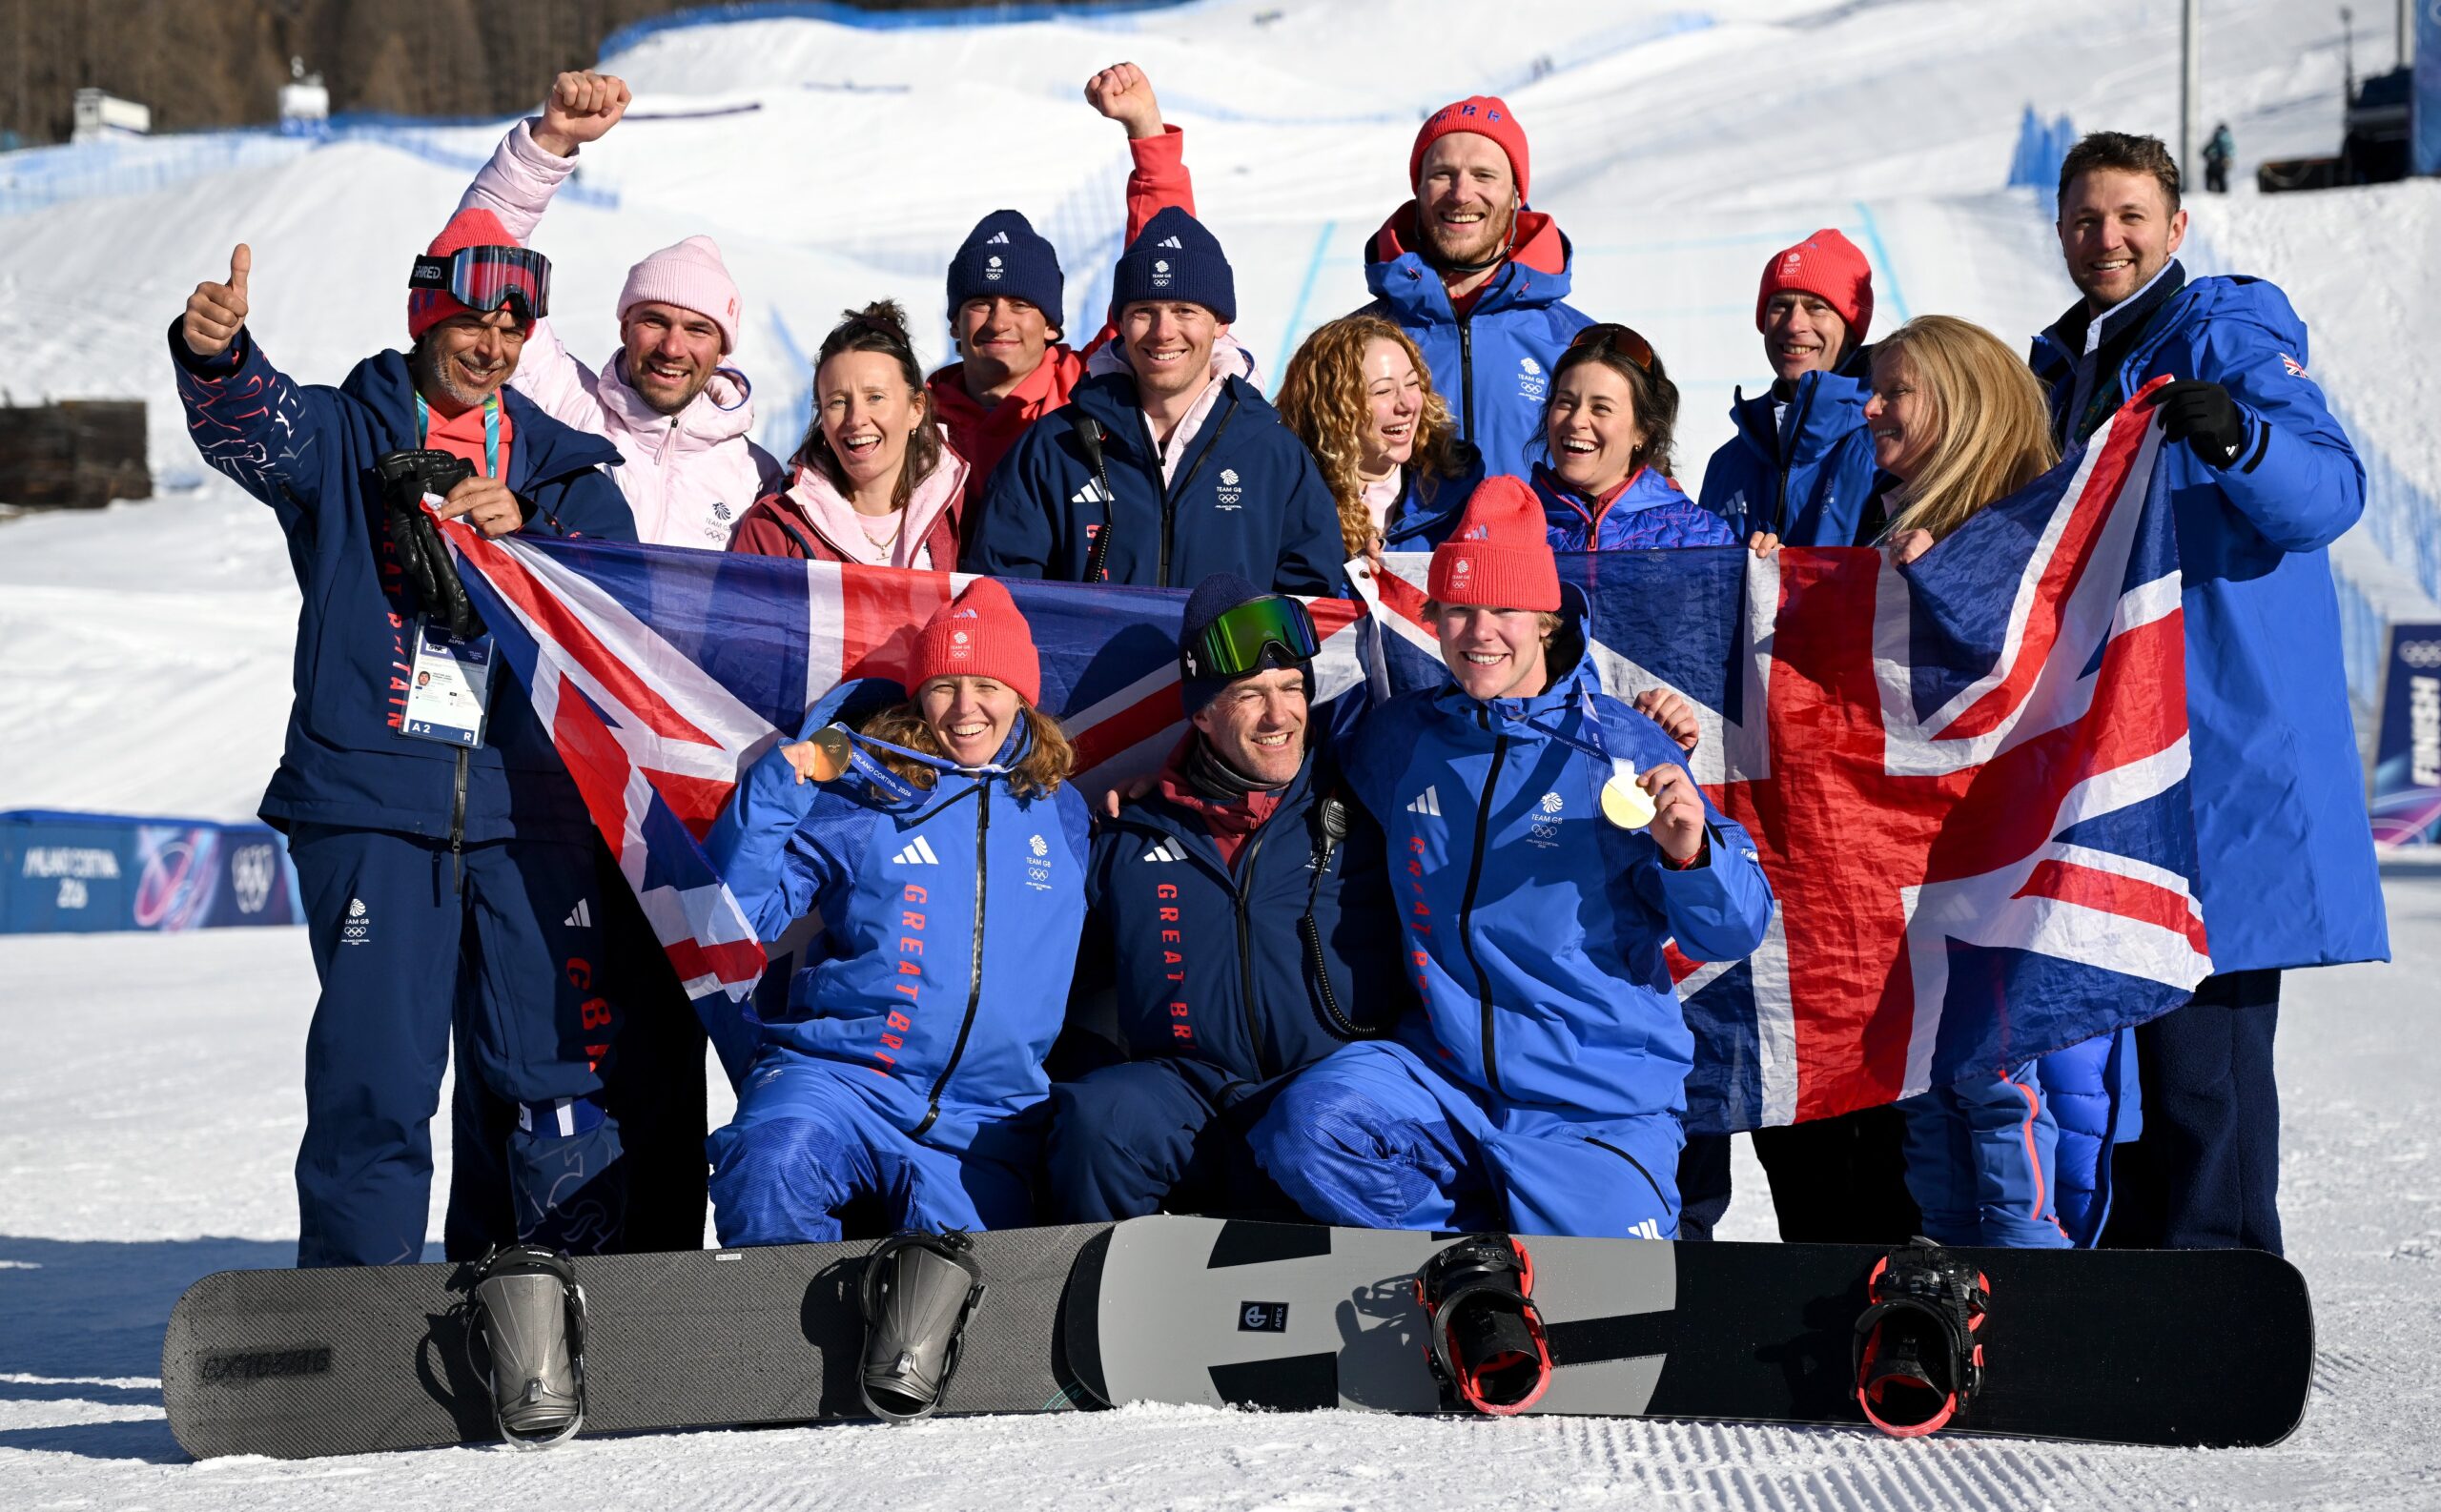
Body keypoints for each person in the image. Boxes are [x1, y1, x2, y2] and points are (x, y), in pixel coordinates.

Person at [172, 214, 637, 1267]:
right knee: (376, 1077)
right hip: (370, 800)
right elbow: (260, 424)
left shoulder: (568, 473)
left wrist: (534, 536)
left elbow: (622, 589)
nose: (493, 346)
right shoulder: (344, 434)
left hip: (532, 813)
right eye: (471, 322)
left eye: (513, 330)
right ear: (427, 317)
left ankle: (559, 1304)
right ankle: (358, 1322)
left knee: (552, 1080)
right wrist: (218, 357)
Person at [1249, 477, 1774, 1238]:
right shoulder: (1401, 737)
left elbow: (1729, 933)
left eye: (1503, 609)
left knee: (1606, 1309)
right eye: (1459, 609)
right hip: (1443, 1078)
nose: (1479, 632)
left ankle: (1527, 1235)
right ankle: (1475, 1252)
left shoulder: (1621, 747)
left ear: (1547, 621)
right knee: (1312, 1134)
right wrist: (1159, 783)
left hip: (1596, 1102)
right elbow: (1279, 765)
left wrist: (1694, 857)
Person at [2030, 131, 2384, 1254]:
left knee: (2202, 1073)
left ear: (2175, 227)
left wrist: (2241, 436)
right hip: (2115, 767)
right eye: (2087, 218)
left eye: (2130, 216)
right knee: (2120, 1076)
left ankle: (2225, 1290)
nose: (2108, 238)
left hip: (2221, 759)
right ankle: (2144, 1296)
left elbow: (2327, 493)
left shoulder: (2223, 334)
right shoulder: (2061, 370)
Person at [703, 579, 1092, 1244]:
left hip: (987, 1123)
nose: (964, 708)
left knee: (973, 1316)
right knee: (769, 1167)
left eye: (987, 686)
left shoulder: (1064, 812)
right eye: (944, 686)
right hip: (846, 1082)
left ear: (1023, 696)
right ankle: (780, 1350)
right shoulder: (870, 789)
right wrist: (780, 784)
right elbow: (738, 924)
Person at [1045, 577, 1412, 1220]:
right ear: (1201, 712)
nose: (1280, 716)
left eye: (1293, 688)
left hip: (1333, 1102)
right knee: (1097, 1119)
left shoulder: (1363, 801)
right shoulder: (1130, 835)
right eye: (1250, 695)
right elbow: (1052, 987)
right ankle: (1108, 1309)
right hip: (1192, 1100)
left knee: (1316, 1124)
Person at [1856, 313, 2104, 1249]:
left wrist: (1943, 588)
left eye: (1894, 389)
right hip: (1925, 876)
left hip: (2021, 877)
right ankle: (1955, 1288)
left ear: (1959, 406)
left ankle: (2032, 1304)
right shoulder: (1897, 526)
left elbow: (2038, 682)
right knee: (1933, 1101)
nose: (1870, 405)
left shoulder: (2029, 531)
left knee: (2018, 1101)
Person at [458, 70, 781, 548]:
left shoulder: (758, 481)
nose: (672, 347)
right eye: (654, 320)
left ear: (722, 348)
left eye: (698, 329)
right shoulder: (567, 406)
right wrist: (549, 143)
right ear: (625, 324)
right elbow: (480, 258)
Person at [967, 207, 1344, 593]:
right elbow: (1002, 599)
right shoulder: (1053, 448)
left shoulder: (1273, 454)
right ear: (1121, 322)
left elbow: (1311, 603)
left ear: (1221, 322)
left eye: (1185, 311)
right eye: (1144, 311)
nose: (1164, 332)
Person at [930, 62, 1199, 507]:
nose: (999, 321)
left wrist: (1147, 132)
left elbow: (1163, 261)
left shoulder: (1093, 387)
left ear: (1053, 325)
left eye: (1020, 304)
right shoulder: (915, 417)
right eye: (980, 302)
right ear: (954, 323)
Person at [1358, 96, 1592, 482]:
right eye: (1442, 174)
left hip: (1533, 545)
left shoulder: (1579, 347)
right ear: (1418, 189)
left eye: (1484, 175)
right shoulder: (1353, 345)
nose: (1462, 193)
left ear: (1517, 194)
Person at [728, 302, 969, 566]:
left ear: (915, 409)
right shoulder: (774, 527)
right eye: (838, 402)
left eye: (875, 397)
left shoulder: (956, 508)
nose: (856, 420)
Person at [1698, 230, 1883, 554]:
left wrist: (1793, 583)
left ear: (1852, 329)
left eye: (1817, 308)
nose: (1794, 324)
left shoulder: (1887, 445)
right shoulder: (1726, 464)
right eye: (1780, 305)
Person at [1273, 314, 1485, 555]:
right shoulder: (1286, 494)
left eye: (1413, 383)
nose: (1406, 404)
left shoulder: (1457, 484)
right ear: (1330, 407)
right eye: (1383, 391)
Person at [1531, 324, 1734, 551]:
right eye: (1566, 402)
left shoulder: (1704, 540)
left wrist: (1767, 564)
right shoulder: (1508, 527)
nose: (1576, 420)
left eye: (1601, 408)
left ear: (1644, 431)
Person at [2203, 122, 2234, 194]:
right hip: (2222, 162)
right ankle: (2223, 193)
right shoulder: (2228, 138)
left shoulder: (2217, 136)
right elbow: (2232, 151)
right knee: (2221, 178)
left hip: (2213, 161)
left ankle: (2210, 192)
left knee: (2211, 177)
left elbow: (2207, 149)